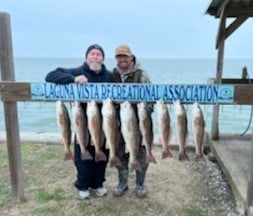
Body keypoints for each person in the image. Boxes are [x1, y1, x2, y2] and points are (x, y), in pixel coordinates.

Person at [45, 44, 113, 199]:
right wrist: (73, 79)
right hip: (81, 122)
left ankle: (98, 184)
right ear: (86, 57)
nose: (95, 57)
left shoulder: (109, 76)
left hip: (103, 125)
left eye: (98, 54)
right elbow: (50, 76)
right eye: (92, 54)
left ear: (103, 58)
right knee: (82, 158)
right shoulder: (78, 71)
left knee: (101, 157)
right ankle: (82, 185)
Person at [112, 44, 153, 198]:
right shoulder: (112, 74)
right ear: (116, 59)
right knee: (120, 153)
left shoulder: (141, 74)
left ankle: (140, 184)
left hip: (139, 122)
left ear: (131, 57)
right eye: (119, 56)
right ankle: (122, 183)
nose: (122, 59)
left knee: (141, 153)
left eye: (125, 56)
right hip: (117, 123)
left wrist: (145, 113)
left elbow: (151, 96)